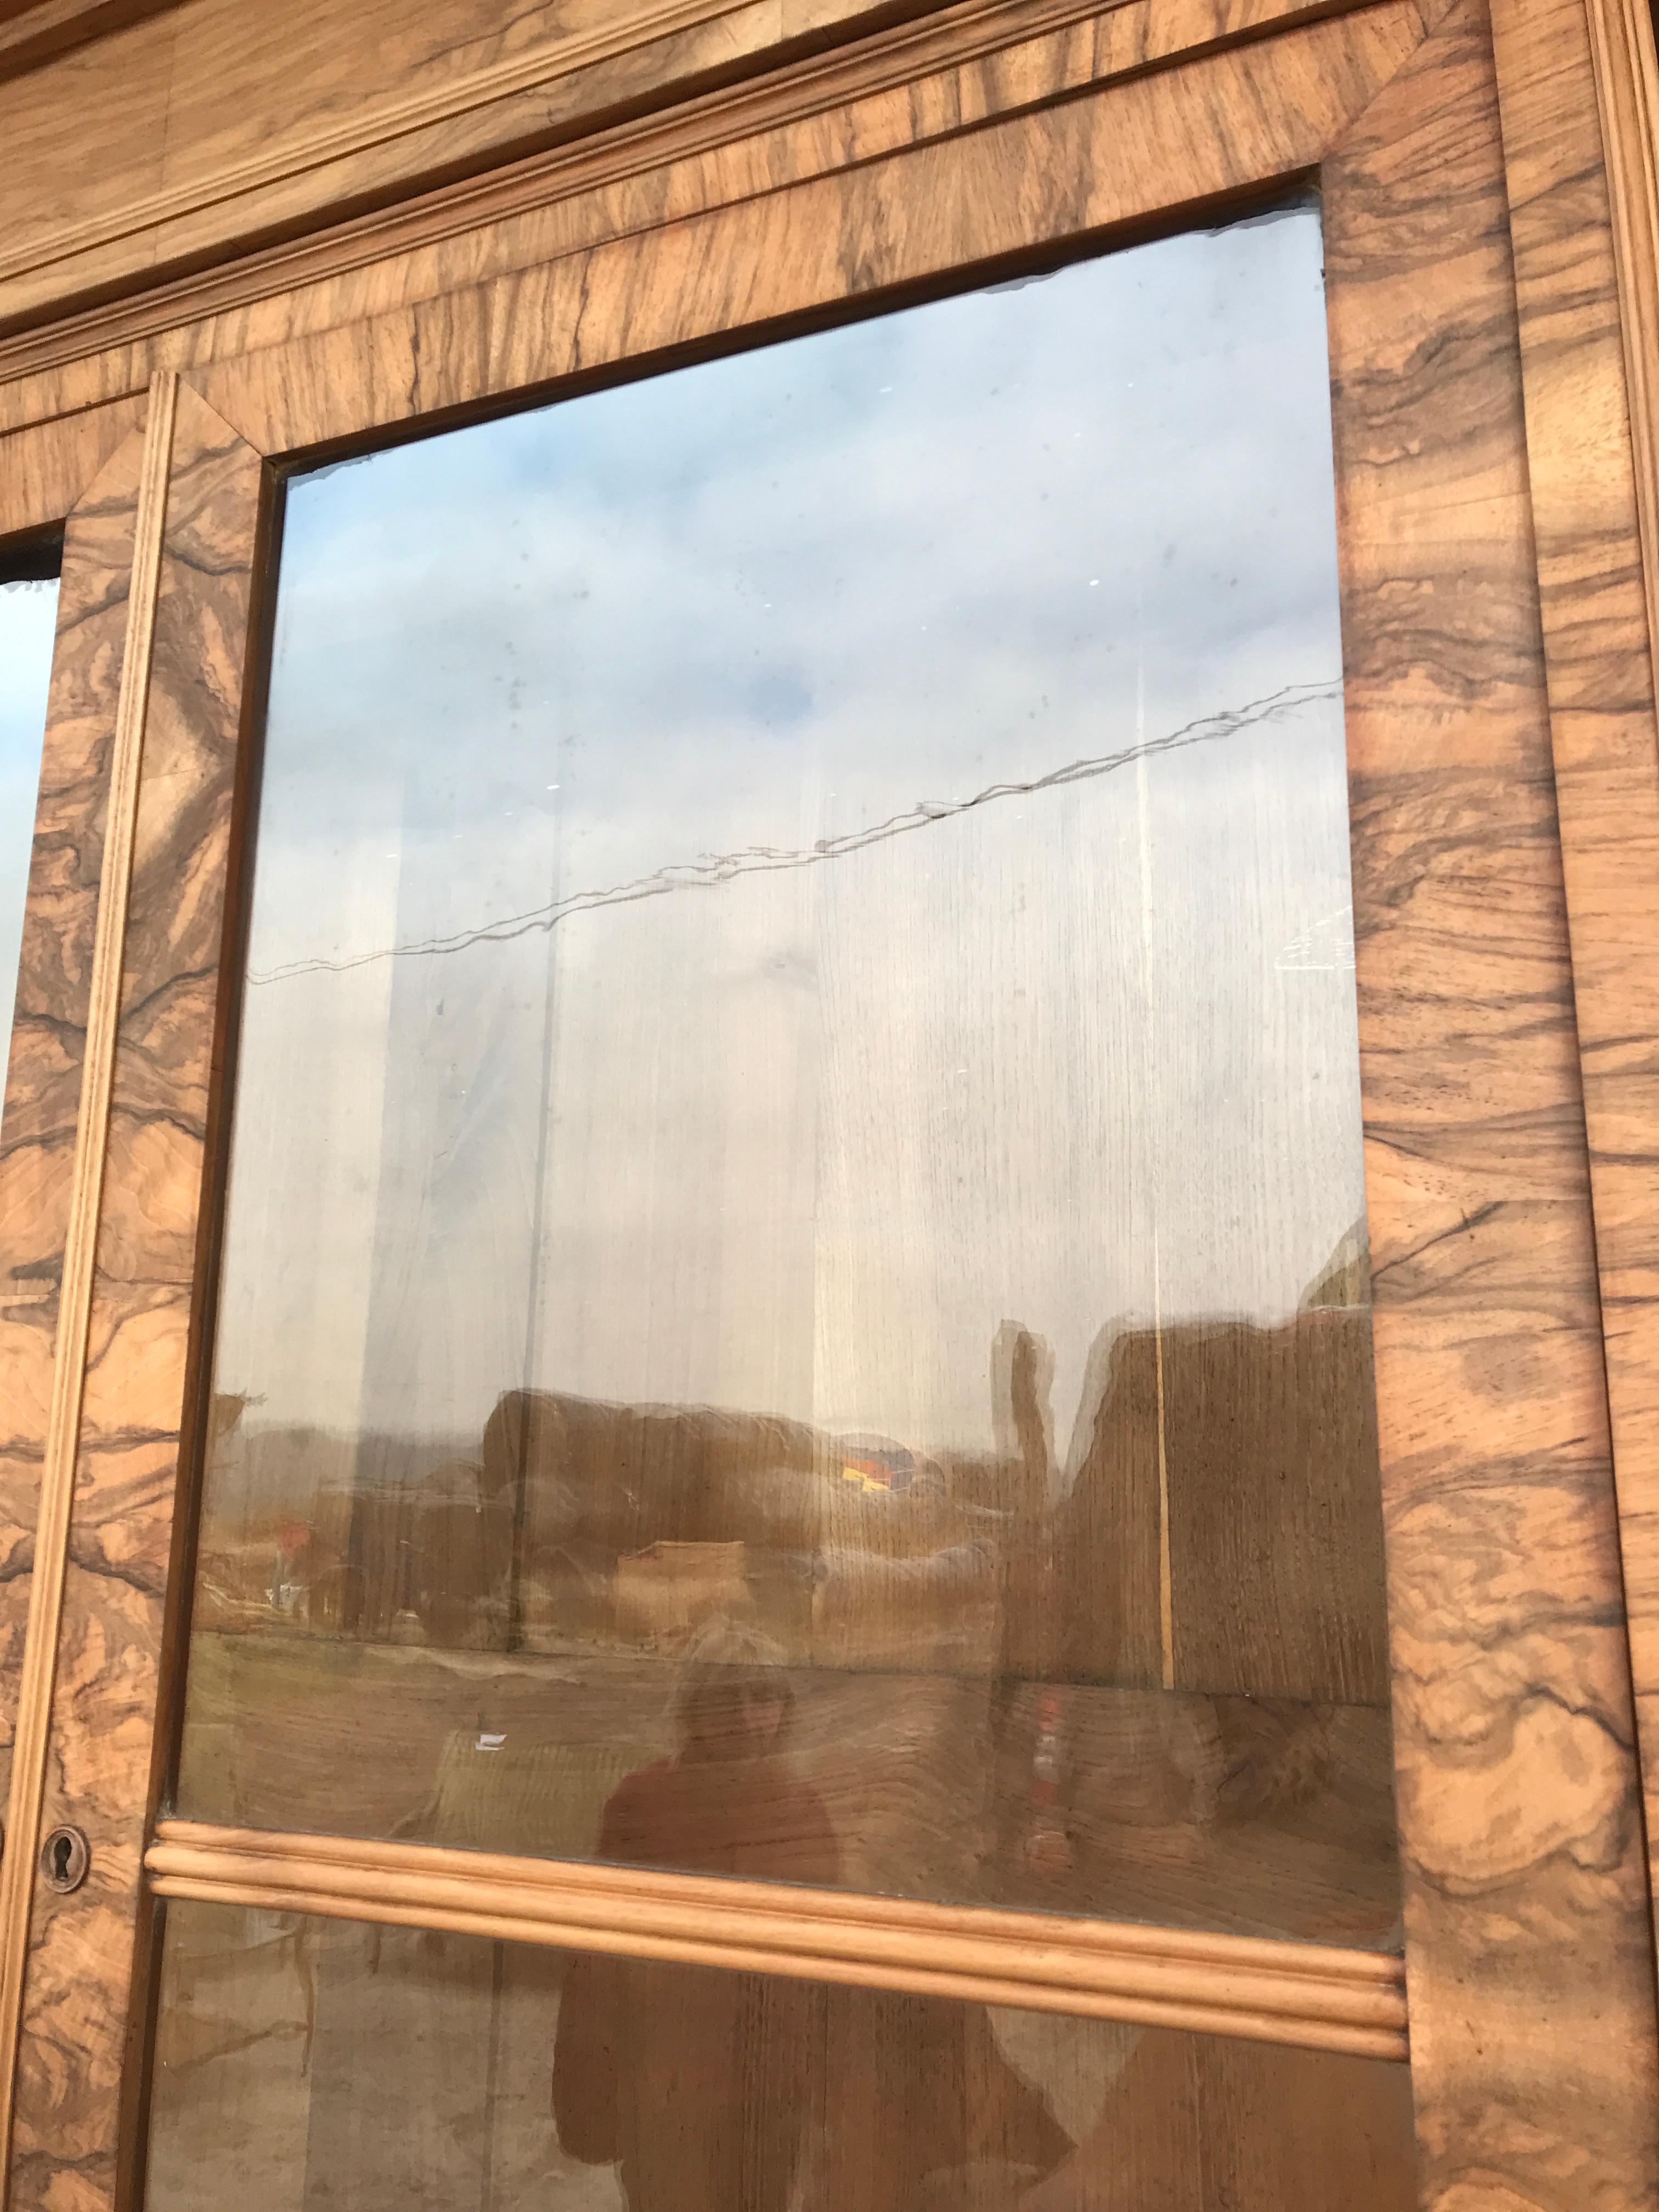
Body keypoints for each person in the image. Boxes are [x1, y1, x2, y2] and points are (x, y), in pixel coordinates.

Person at [551, 1620, 838, 2211]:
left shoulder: (803, 1808)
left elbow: (825, 1963)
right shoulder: (642, 1803)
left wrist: (829, 2092)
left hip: (769, 2088)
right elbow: (597, 1964)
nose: (748, 1717)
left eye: (763, 1698)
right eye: (727, 1699)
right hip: (668, 2082)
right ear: (695, 1708)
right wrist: (595, 2098)